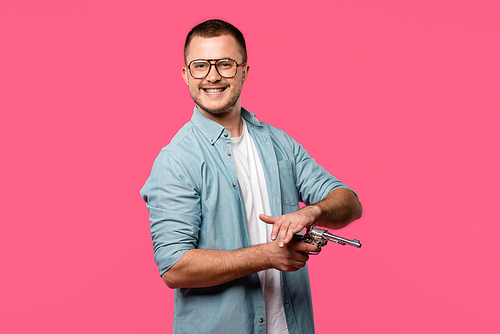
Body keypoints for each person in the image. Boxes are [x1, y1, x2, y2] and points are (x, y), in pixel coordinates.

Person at [140, 19, 362, 334]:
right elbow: (175, 269)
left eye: (225, 64)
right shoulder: (176, 161)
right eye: (200, 65)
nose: (212, 76)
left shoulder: (280, 143)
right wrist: (266, 256)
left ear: (244, 71)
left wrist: (315, 210)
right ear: (186, 75)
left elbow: (350, 203)